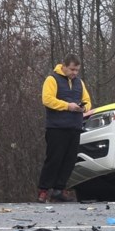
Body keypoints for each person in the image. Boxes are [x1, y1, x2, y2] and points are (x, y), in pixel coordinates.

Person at [38, 53, 92, 203]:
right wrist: (67, 106)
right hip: (56, 127)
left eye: (77, 70)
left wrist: (84, 107)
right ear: (64, 66)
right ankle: (43, 190)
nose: (74, 73)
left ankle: (59, 190)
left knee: (69, 160)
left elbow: (87, 101)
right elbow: (47, 99)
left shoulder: (79, 83)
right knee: (54, 159)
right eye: (72, 69)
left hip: (74, 126)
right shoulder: (52, 79)